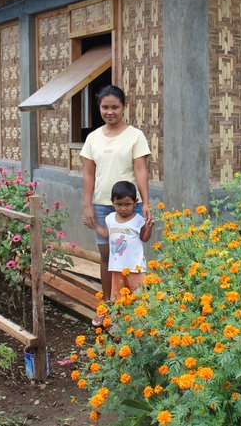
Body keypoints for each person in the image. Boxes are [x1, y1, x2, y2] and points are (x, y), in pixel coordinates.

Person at [80, 85, 152, 323]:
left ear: (123, 107)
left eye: (115, 107)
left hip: (131, 207)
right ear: (99, 107)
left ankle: (134, 310)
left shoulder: (135, 136)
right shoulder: (93, 138)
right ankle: (108, 307)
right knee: (107, 258)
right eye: (105, 107)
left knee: (131, 258)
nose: (110, 112)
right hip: (101, 206)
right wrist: (87, 205)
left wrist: (146, 202)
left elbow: (141, 170)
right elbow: (88, 174)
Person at [85, 181, 153, 303]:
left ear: (135, 202)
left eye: (127, 204)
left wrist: (149, 227)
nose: (123, 208)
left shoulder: (138, 220)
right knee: (119, 298)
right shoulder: (110, 218)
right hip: (117, 268)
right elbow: (106, 234)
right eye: (119, 204)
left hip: (135, 267)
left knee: (140, 297)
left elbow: (144, 238)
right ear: (112, 202)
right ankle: (120, 320)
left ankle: (142, 321)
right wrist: (94, 225)